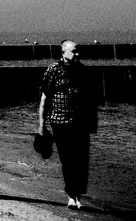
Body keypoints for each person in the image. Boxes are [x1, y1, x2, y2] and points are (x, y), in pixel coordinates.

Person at [37, 39, 98, 210]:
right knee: (68, 159)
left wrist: (92, 122)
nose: (77, 54)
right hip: (60, 121)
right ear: (63, 53)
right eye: (74, 51)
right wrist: (41, 126)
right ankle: (72, 196)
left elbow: (90, 100)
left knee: (81, 160)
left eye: (78, 51)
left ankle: (78, 193)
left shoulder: (83, 71)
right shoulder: (53, 70)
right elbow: (44, 99)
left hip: (81, 122)